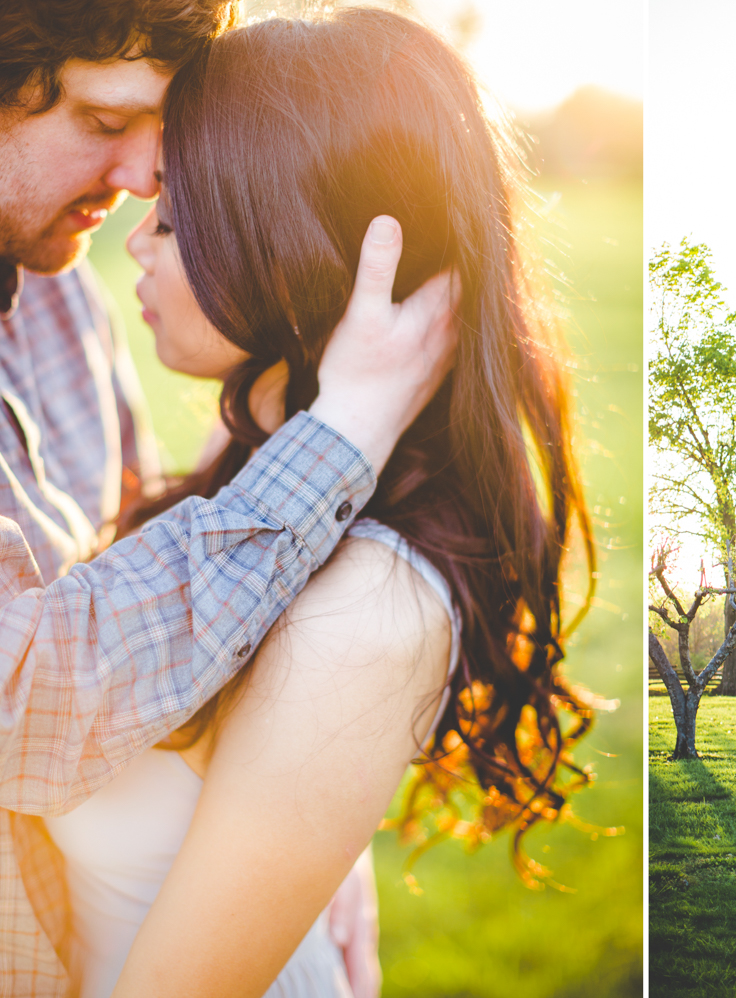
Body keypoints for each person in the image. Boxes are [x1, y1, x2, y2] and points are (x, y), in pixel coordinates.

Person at [43, 7, 596, 997]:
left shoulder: (366, 610)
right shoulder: (257, 471)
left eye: (176, 214)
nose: (138, 241)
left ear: (289, 249)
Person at [0, 1, 455, 990]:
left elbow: (124, 555)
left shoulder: (55, 281)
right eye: (103, 122)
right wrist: (333, 438)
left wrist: (299, 813)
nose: (139, 183)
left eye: (164, 157)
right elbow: (17, 692)